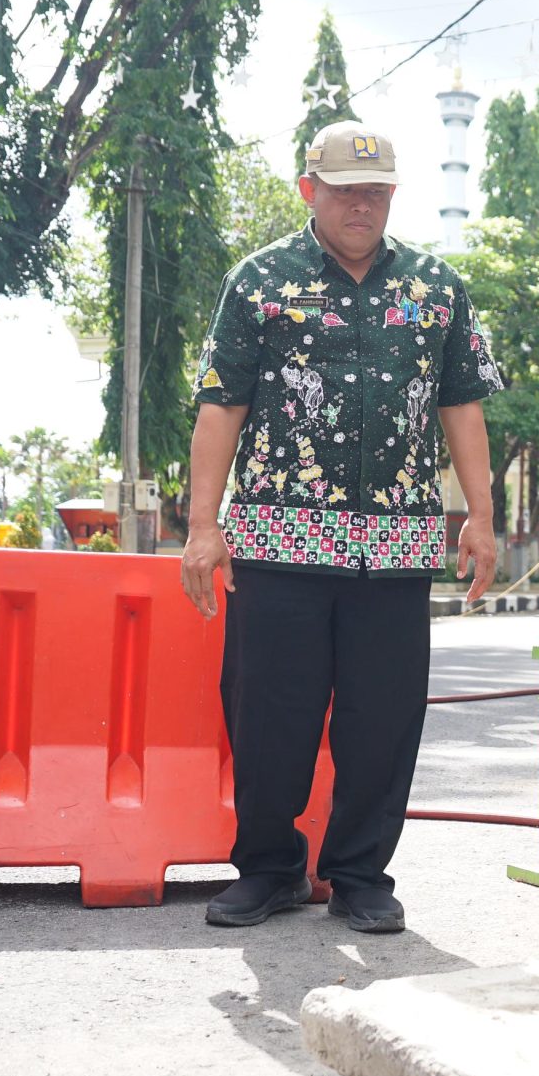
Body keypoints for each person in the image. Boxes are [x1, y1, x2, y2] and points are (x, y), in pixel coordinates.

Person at [181, 120, 502, 934]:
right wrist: (201, 525)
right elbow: (221, 406)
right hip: (279, 545)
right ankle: (268, 867)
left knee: (383, 717)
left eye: (377, 191)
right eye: (345, 188)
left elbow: (461, 406)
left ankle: (361, 873)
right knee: (269, 714)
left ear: (393, 196)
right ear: (308, 190)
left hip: (395, 549)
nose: (362, 204)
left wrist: (482, 518)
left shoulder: (437, 289)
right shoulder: (259, 282)